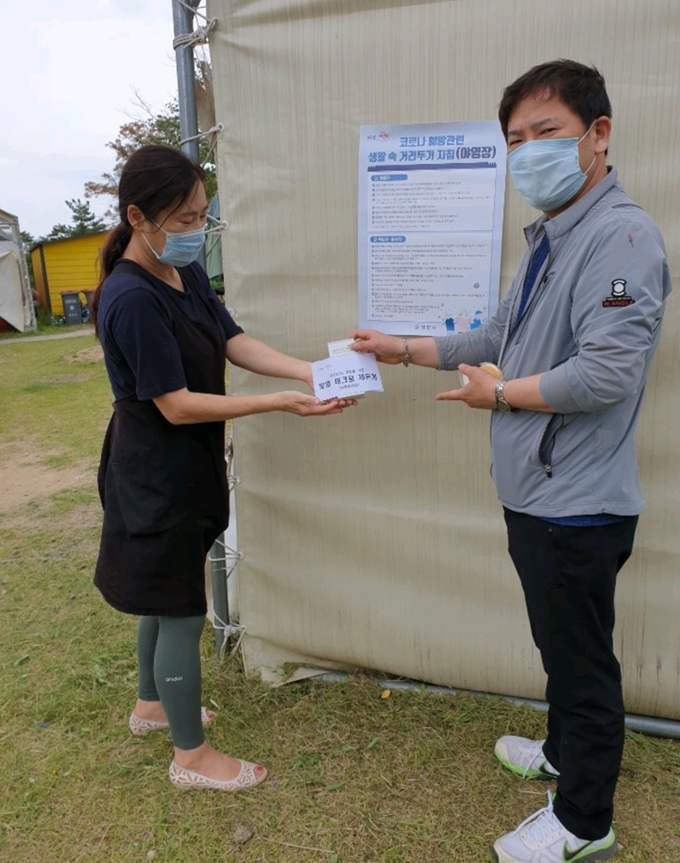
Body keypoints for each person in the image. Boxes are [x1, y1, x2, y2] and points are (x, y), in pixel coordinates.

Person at [351, 61, 671, 862]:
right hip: (538, 493)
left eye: (547, 133)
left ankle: (582, 823)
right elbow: (496, 338)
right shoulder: (553, 235)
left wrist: (497, 398)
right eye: (516, 139)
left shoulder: (620, 235)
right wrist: (403, 347)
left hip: (578, 501)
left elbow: (605, 374)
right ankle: (563, 754)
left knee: (582, 659)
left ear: (598, 136)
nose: (528, 151)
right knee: (557, 640)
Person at [92, 144, 354, 793]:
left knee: (162, 591)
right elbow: (176, 405)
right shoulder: (130, 297)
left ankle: (152, 703)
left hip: (187, 462)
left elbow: (231, 338)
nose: (195, 230)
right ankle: (192, 755)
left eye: (203, 214)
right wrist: (280, 402)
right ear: (138, 216)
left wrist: (308, 369)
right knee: (181, 604)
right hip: (157, 468)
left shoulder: (180, 277)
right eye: (183, 218)